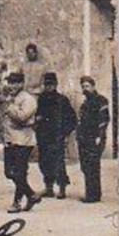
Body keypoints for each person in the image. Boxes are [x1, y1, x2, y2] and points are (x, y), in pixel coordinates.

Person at [1, 73, 41, 213]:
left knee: (19, 172)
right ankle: (30, 194)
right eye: (10, 83)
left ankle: (17, 203)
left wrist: (9, 106)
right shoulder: (11, 98)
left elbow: (23, 117)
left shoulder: (28, 99)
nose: (12, 86)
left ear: (22, 84)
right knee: (9, 172)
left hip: (24, 140)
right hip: (11, 139)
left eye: (15, 83)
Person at [35, 72, 79, 200]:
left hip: (56, 136)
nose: (49, 87)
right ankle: (49, 188)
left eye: (51, 84)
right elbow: (37, 114)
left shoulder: (62, 100)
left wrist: (64, 133)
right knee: (44, 162)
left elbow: (72, 119)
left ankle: (62, 188)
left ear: (56, 85)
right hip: (43, 135)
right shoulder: (42, 99)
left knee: (58, 163)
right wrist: (38, 121)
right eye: (46, 84)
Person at [76, 76, 111, 204]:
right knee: (86, 166)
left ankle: (93, 195)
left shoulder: (101, 101)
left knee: (92, 165)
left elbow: (104, 119)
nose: (85, 89)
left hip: (95, 138)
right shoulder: (85, 103)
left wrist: (99, 136)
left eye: (87, 86)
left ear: (93, 86)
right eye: (83, 87)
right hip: (84, 138)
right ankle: (91, 193)